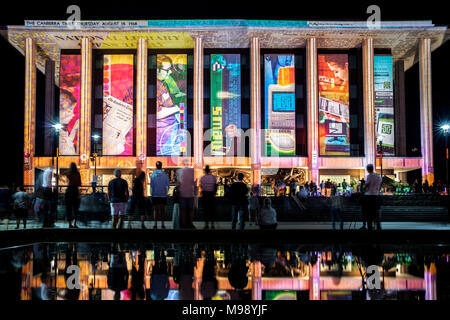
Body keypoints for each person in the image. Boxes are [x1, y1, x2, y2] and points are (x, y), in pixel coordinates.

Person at [361, 164, 382, 231]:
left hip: (369, 196)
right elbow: (380, 185)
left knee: (369, 213)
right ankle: (378, 227)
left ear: (368, 169)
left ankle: (370, 228)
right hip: (376, 196)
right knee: (376, 212)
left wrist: (363, 188)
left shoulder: (369, 176)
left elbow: (366, 186)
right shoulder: (378, 176)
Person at [150, 161, 170, 229]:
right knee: (162, 210)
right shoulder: (165, 174)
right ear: (161, 166)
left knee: (156, 210)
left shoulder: (153, 174)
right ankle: (163, 224)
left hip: (155, 194)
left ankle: (155, 224)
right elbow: (168, 185)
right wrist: (166, 193)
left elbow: (151, 185)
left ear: (156, 166)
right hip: (163, 195)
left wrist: (151, 194)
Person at [176, 164, 196, 229]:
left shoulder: (180, 172)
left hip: (183, 195)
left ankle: (183, 224)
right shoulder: (191, 172)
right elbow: (194, 184)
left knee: (183, 210)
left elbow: (178, 184)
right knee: (190, 210)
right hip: (190, 194)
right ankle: (190, 223)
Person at [199, 165, 217, 229]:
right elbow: (215, 186)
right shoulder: (213, 177)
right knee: (212, 210)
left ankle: (206, 224)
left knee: (205, 210)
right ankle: (212, 225)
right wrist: (214, 193)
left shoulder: (202, 178)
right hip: (211, 195)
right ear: (209, 170)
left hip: (205, 195)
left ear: (205, 171)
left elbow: (200, 186)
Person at [65, 162, 81, 228]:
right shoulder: (77, 173)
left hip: (68, 191)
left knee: (68, 208)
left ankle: (69, 224)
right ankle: (75, 223)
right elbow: (79, 183)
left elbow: (63, 175)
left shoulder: (69, 173)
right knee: (76, 209)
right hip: (75, 191)